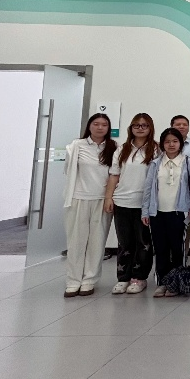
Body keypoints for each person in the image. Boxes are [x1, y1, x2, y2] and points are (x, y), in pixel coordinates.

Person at [63, 113, 117, 297]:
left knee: (97, 242)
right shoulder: (76, 146)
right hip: (78, 199)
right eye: (96, 124)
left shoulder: (113, 147)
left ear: (108, 128)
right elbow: (68, 171)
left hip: (102, 200)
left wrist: (109, 197)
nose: (100, 127)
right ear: (89, 126)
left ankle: (89, 280)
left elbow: (115, 174)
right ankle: (73, 281)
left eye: (104, 124)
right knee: (76, 242)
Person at [142, 127, 190, 297]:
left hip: (179, 213)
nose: (171, 144)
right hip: (157, 213)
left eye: (175, 141)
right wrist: (145, 211)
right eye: (167, 142)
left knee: (177, 249)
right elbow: (148, 188)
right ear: (162, 144)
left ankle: (176, 283)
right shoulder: (155, 163)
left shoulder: (188, 162)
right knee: (160, 249)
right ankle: (162, 282)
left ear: (181, 143)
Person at [105, 113, 156, 295]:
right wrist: (108, 197)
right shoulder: (122, 149)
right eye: (136, 125)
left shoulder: (156, 149)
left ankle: (139, 277)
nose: (140, 128)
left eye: (144, 125)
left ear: (150, 128)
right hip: (122, 201)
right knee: (124, 242)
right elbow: (114, 175)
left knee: (143, 243)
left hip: (144, 205)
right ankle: (123, 277)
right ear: (131, 128)